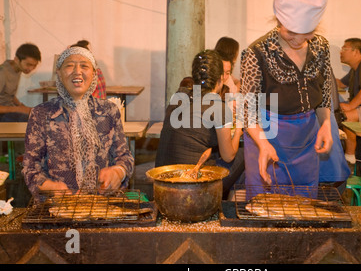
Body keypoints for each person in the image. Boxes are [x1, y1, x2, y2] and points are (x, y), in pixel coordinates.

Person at [240, 0, 333, 199]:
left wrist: (326, 124)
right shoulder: (257, 52)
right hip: (267, 136)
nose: (299, 40)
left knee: (303, 202)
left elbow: (325, 92)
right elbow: (248, 110)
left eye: (307, 33)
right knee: (265, 202)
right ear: (279, 20)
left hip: (306, 137)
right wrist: (262, 143)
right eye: (291, 32)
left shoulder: (321, 47)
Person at [22, 46, 134, 199]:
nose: (77, 71)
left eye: (84, 66)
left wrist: (118, 172)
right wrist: (49, 186)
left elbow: (125, 157)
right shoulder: (41, 114)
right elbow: (30, 167)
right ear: (59, 74)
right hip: (56, 208)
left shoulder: (109, 111)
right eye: (69, 65)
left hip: (102, 206)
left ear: (94, 74)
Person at [155, 50, 244, 199]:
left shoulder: (179, 96)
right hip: (192, 187)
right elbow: (228, 156)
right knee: (245, 152)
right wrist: (240, 127)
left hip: (162, 181)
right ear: (221, 78)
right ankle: (232, 203)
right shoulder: (218, 107)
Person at [0, 43, 41, 122]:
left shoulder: (18, 69)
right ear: (16, 60)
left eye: (34, 65)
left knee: (39, 114)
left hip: (9, 109)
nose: (31, 68)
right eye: (28, 64)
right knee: (30, 120)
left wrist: (21, 106)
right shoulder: (2, 73)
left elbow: (8, 94)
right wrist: (18, 109)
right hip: (2, 114)